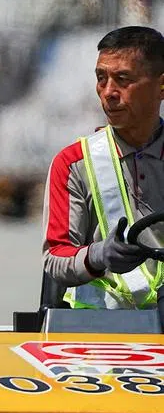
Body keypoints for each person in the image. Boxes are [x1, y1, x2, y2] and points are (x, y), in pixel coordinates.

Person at [42, 26, 164, 309]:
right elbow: (55, 257)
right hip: (98, 334)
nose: (108, 92)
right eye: (101, 78)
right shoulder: (72, 163)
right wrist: (97, 256)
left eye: (123, 79)